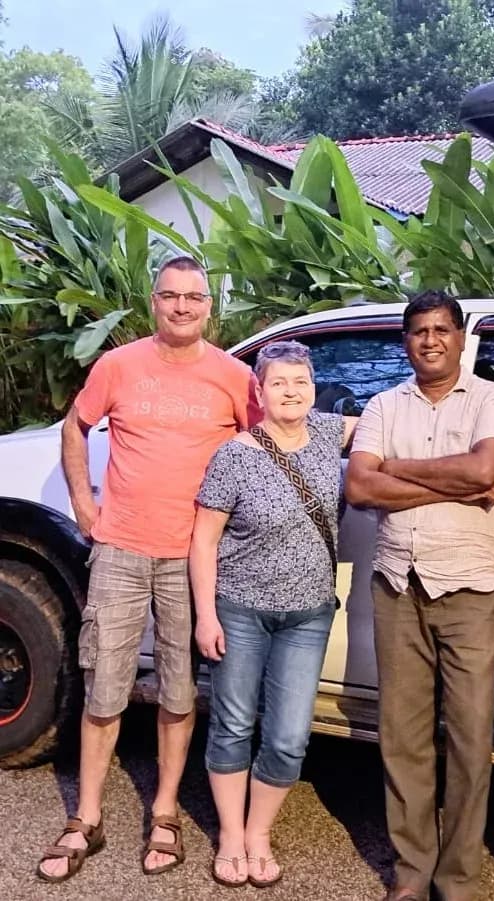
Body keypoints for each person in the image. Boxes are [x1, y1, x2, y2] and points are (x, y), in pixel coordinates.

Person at [37, 256, 258, 883]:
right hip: (122, 549)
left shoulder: (235, 378)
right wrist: (83, 501)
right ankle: (86, 817)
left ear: (209, 305)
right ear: (153, 301)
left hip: (194, 557)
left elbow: (268, 449)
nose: (182, 306)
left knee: (180, 690)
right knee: (104, 684)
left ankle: (163, 811)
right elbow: (76, 429)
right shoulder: (119, 365)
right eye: (170, 296)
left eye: (194, 296)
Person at [344, 290, 494, 901]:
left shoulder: (493, 399)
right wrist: (447, 483)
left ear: (461, 337)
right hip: (398, 584)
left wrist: (398, 470)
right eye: (419, 331)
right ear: (406, 341)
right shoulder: (384, 405)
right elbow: (360, 487)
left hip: (471, 588)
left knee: (471, 741)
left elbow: (483, 472)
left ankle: (459, 878)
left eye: (441, 330)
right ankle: (412, 872)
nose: (431, 341)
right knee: (403, 736)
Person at [189, 340, 357, 888]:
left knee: (288, 737)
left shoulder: (333, 434)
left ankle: (259, 831)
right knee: (234, 725)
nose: (291, 391)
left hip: (308, 616)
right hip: (239, 610)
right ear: (259, 392)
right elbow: (204, 542)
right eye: (279, 383)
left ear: (314, 389)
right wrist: (205, 617)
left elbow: (389, 423)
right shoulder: (236, 454)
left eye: (301, 382)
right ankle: (231, 835)